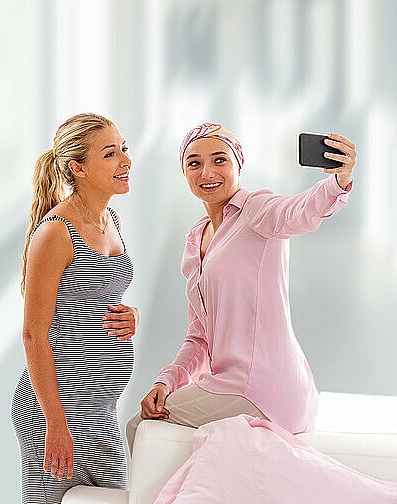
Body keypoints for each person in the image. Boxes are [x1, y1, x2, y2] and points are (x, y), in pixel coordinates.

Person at [127, 122, 356, 453]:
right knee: (150, 421)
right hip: (228, 385)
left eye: (220, 160)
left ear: (238, 165)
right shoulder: (194, 241)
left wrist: (338, 182)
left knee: (142, 427)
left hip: (266, 389)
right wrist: (167, 381)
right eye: (194, 163)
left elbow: (298, 211)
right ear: (184, 172)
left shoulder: (257, 209)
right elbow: (199, 336)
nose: (207, 172)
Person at [11, 112, 139, 504]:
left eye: (123, 149)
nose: (125, 160)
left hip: (100, 412)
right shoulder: (54, 232)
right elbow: (33, 333)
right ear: (77, 168)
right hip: (57, 411)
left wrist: (128, 315)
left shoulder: (110, 218)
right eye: (110, 154)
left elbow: (94, 293)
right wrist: (54, 421)